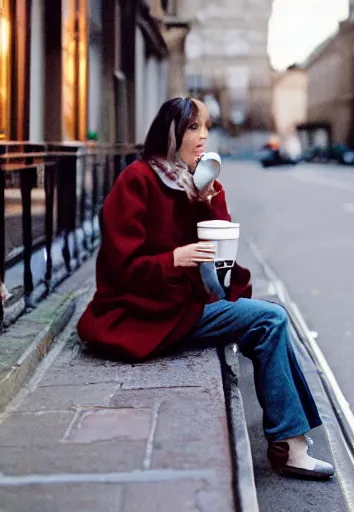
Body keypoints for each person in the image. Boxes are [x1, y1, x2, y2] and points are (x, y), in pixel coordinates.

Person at [77, 97, 334, 480]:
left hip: (186, 307)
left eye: (207, 127)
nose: (203, 137)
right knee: (271, 319)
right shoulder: (137, 179)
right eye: (193, 127)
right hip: (145, 314)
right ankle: (290, 445)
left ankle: (290, 442)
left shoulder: (197, 182)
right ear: (171, 133)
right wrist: (174, 258)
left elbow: (223, 259)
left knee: (269, 323)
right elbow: (120, 267)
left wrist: (209, 196)